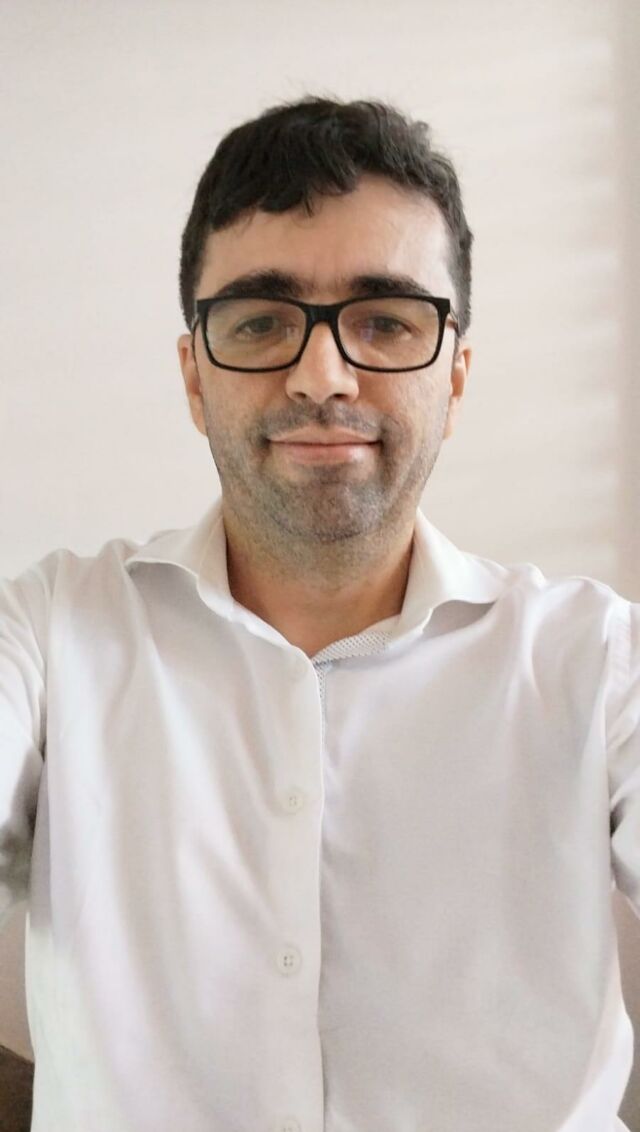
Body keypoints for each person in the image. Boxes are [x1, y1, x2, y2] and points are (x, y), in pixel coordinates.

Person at [1, 94, 638, 1132]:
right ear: (194, 378)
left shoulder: (596, 660)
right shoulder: (49, 633)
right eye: (260, 321)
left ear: (455, 377)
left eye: (386, 320)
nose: (321, 375)